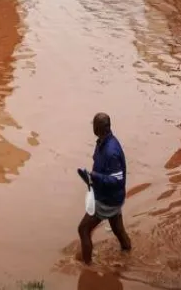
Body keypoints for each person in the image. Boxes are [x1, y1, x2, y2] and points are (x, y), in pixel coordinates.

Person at [77, 112, 132, 264]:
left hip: (108, 200)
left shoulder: (111, 151)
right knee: (118, 230)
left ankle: (86, 266)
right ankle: (128, 253)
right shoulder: (102, 142)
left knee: (83, 229)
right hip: (112, 196)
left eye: (94, 125)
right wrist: (90, 178)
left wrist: (95, 176)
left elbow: (117, 180)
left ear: (98, 128)